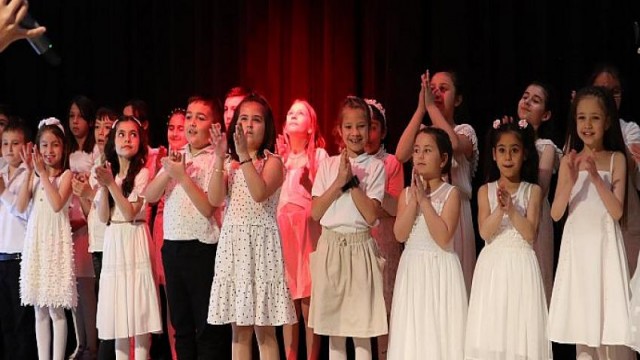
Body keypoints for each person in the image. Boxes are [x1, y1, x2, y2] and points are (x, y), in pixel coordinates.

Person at [207, 93, 296, 359]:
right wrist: (219, 158)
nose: (248, 125)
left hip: (261, 249)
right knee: (239, 330)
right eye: (243, 119)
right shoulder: (229, 163)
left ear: (267, 127)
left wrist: (244, 157)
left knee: (264, 330)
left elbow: (259, 192)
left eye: (256, 120)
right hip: (234, 248)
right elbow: (214, 199)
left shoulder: (273, 162)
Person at [144, 97, 230, 360]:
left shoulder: (218, 161)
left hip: (201, 248)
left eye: (200, 118)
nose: (192, 123)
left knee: (206, 327)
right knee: (180, 326)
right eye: (189, 117)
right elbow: (149, 195)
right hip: (172, 247)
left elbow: (209, 206)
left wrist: (182, 176)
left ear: (214, 127)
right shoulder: (176, 157)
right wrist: (171, 171)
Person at [549, 86, 632, 359]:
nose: (587, 124)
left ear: (607, 121)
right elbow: (556, 213)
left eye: (594, 118)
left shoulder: (616, 159)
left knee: (608, 321)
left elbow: (617, 211)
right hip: (578, 252)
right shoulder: (568, 161)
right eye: (581, 117)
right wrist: (571, 180)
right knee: (583, 324)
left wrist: (596, 178)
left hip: (604, 250)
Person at [308, 96, 387, 360]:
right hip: (331, 247)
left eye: (361, 126)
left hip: (360, 248)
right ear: (339, 130)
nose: (355, 133)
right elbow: (316, 212)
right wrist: (339, 182)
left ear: (369, 129)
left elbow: (371, 216)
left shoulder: (376, 167)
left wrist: (352, 183)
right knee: (335, 332)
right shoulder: (328, 165)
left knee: (362, 330)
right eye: (349, 127)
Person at [465, 119, 550, 359]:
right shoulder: (485, 191)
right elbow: (484, 232)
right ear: (493, 154)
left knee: (519, 331)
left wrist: (512, 210)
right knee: (493, 330)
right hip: (493, 266)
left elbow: (530, 233)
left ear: (524, 154)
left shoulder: (532, 191)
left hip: (521, 265)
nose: (508, 157)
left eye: (514, 150)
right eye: (502, 150)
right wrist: (500, 209)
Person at [396, 70, 478, 293]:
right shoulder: (423, 133)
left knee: (455, 282)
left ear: (458, 99)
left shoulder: (464, 131)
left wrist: (431, 107)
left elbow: (450, 145)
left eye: (444, 89)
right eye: (432, 89)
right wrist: (421, 108)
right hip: (423, 207)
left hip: (454, 213)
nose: (437, 94)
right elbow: (401, 154)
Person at [387, 127, 466, 359]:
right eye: (417, 150)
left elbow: (443, 237)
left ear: (443, 159)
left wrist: (424, 200)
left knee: (438, 331)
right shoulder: (406, 195)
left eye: (427, 150)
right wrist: (414, 200)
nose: (419, 156)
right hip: (413, 270)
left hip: (439, 269)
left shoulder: (451, 194)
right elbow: (400, 234)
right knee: (413, 331)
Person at [94, 115, 162, 359]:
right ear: (114, 140)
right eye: (121, 134)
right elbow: (104, 217)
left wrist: (111, 183)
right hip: (114, 240)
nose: (127, 139)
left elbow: (130, 211)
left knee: (139, 314)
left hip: (134, 237)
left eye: (133, 134)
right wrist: (104, 185)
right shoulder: (109, 174)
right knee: (119, 315)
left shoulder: (143, 173)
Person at [16, 118, 76, 360]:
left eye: (55, 145)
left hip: (55, 245)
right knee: (39, 309)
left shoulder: (67, 175)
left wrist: (42, 174)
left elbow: (57, 203)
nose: (49, 151)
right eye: (44, 145)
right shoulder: (34, 175)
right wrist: (31, 172)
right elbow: (20, 206)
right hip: (36, 244)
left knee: (56, 309)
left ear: (63, 148)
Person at [276, 99, 327, 360]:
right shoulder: (279, 158)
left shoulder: (318, 156)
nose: (294, 116)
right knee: (287, 305)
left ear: (311, 127)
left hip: (307, 233)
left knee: (308, 303)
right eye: (290, 112)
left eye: (300, 113)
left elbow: (324, 199)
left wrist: (309, 185)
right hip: (282, 235)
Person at [363, 98, 403, 360]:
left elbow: (396, 207)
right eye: (362, 126)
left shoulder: (391, 163)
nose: (366, 133)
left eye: (373, 126)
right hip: (357, 245)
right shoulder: (345, 163)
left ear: (383, 131)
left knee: (385, 311)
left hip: (384, 244)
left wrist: (373, 195)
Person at [516, 82, 562, 304]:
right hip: (506, 212)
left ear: (546, 115)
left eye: (535, 100)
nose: (527, 102)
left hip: (535, 217)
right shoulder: (505, 139)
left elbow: (541, 190)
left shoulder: (546, 147)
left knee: (534, 287)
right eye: (525, 97)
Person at [149, 107, 187, 360]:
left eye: (180, 128)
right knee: (168, 297)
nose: (174, 132)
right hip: (161, 227)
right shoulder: (158, 158)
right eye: (171, 127)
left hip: (185, 228)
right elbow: (150, 197)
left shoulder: (194, 158)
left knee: (182, 298)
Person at [0, 119, 37, 359]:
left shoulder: (30, 175)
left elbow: (23, 211)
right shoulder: (1, 172)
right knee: (5, 323)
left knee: (22, 324)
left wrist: (3, 193)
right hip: (1, 258)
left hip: (20, 259)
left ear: (27, 146)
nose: (9, 149)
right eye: (5, 144)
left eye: (15, 143)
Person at [66, 95, 98, 360]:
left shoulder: (95, 151)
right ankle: (81, 343)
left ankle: (93, 346)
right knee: (73, 286)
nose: (75, 121)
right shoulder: (65, 149)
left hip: (87, 220)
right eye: (71, 116)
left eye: (80, 116)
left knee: (87, 287)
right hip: (67, 221)